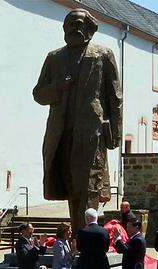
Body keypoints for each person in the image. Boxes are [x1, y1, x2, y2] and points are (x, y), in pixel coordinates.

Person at [33, 8, 122, 234]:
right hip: (61, 132)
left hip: (91, 132)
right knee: (71, 187)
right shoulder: (54, 58)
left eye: (79, 23)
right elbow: (38, 94)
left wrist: (116, 134)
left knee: (88, 186)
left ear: (90, 28)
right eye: (70, 24)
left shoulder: (103, 55)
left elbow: (115, 97)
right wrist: (58, 87)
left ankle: (86, 239)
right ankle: (80, 238)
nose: (74, 27)